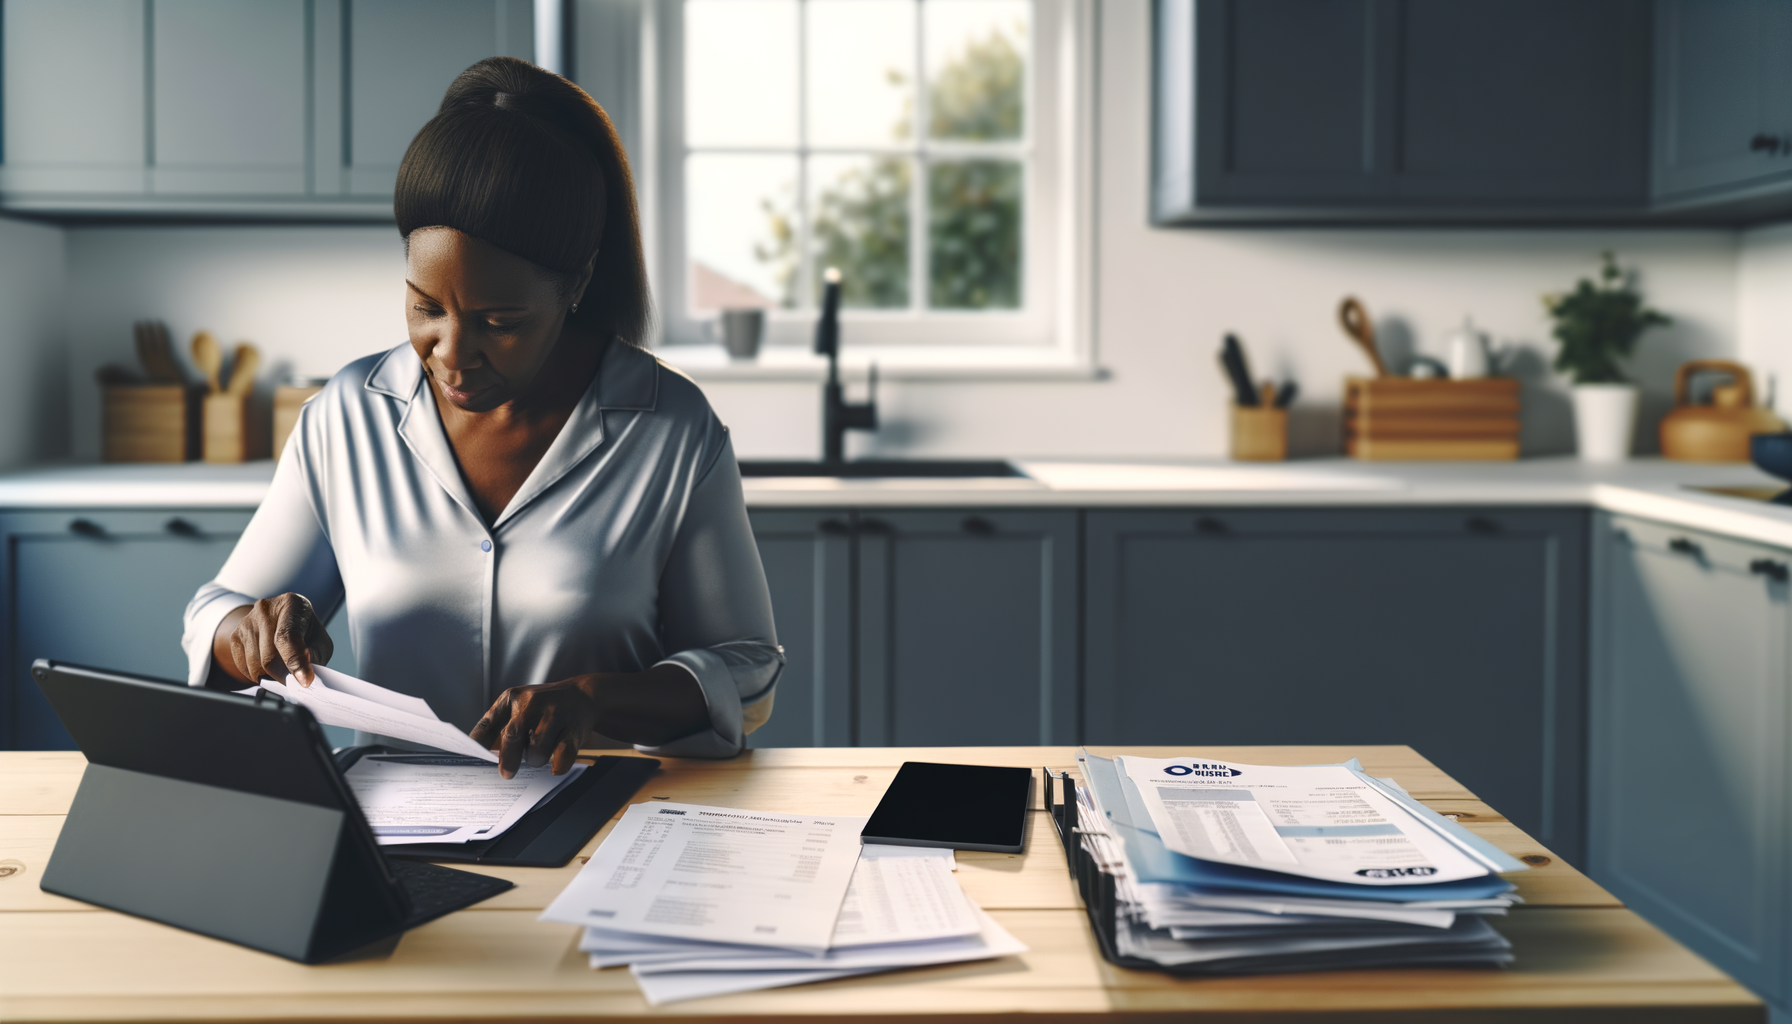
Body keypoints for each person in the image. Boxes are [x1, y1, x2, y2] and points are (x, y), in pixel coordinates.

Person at [180, 57, 780, 775]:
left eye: (501, 322)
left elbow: (746, 669)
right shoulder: (347, 417)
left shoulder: (672, 431)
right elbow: (216, 610)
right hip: (395, 826)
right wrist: (250, 630)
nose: (453, 354)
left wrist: (597, 699)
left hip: (600, 819)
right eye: (426, 308)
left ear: (577, 284)